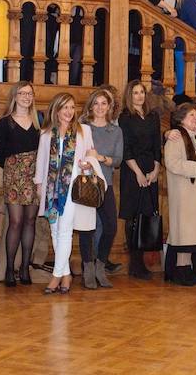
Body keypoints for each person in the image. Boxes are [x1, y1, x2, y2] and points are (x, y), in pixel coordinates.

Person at [34, 93, 104, 294]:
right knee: (55, 231)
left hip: (73, 187)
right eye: (65, 107)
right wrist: (39, 184)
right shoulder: (47, 133)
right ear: (56, 110)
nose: (69, 112)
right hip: (51, 188)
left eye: (72, 107)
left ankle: (56, 276)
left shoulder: (84, 130)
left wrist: (87, 165)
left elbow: (91, 156)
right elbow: (41, 161)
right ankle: (66, 274)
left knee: (64, 230)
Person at [0, 81, 42, 287]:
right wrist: (13, 165)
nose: (26, 97)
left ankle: (25, 267)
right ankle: (9, 269)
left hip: (34, 175)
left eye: (29, 93)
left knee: (30, 221)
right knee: (15, 221)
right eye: (22, 93)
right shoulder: (5, 122)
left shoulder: (38, 120)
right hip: (14, 175)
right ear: (14, 96)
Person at [164, 103, 196, 285]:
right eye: (191, 115)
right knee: (184, 234)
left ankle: (187, 269)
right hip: (183, 191)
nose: (195, 118)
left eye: (195, 115)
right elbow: (172, 163)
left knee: (192, 235)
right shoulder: (176, 137)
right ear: (181, 118)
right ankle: (180, 271)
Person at [79, 89, 123, 289]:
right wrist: (87, 162)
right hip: (86, 183)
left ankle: (100, 266)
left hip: (106, 184)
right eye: (95, 103)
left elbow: (118, 159)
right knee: (87, 228)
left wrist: (101, 158)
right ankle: (87, 268)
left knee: (111, 227)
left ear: (109, 107)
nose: (99, 107)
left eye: (103, 103)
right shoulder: (83, 128)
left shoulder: (115, 131)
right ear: (90, 106)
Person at [118, 80, 162, 280]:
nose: (139, 96)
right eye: (135, 93)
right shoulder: (125, 118)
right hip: (132, 171)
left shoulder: (153, 117)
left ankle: (143, 262)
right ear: (130, 95)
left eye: (142, 92)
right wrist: (137, 172)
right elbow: (125, 148)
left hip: (150, 170)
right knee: (133, 217)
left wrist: (155, 170)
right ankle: (135, 264)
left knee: (147, 216)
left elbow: (156, 146)